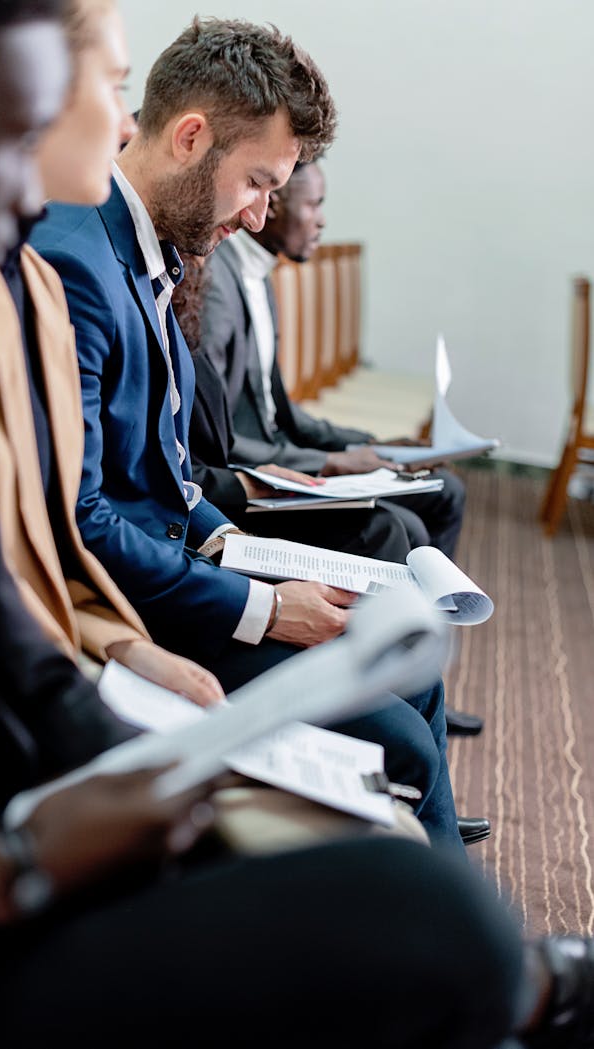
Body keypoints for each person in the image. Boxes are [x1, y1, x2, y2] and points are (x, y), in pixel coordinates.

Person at [0, 5, 593, 1047]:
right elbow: (70, 532)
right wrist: (25, 852)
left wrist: (122, 760)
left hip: (34, 758)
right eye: (16, 135)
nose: (27, 195)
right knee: (431, 899)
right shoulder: (63, 263)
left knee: (395, 702)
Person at [29, 16, 481, 848]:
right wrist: (263, 607)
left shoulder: (144, 246)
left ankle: (433, 864)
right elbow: (84, 518)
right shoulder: (76, 261)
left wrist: (245, 545)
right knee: (403, 737)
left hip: (178, 572)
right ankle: (466, 942)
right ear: (191, 137)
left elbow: (169, 474)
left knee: (401, 662)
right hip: (132, 611)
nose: (263, 212)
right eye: (259, 183)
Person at [0, 0, 224, 708]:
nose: (130, 124)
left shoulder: (34, 282)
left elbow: (7, 549)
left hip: (50, 655)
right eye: (114, 85)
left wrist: (115, 643)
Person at [194, 157, 483, 737]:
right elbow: (218, 438)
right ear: (271, 204)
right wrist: (327, 462)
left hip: (275, 460)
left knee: (435, 492)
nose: (322, 221)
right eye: (313, 204)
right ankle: (397, 696)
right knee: (395, 530)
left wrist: (369, 445)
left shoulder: (260, 275)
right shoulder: (218, 283)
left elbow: (280, 406)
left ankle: (416, 685)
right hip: (248, 478)